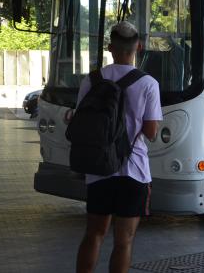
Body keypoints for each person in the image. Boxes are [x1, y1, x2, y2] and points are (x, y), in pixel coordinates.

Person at [75, 21, 161, 273]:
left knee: (93, 234)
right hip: (133, 171)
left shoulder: (91, 81)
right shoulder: (148, 84)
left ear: (110, 47)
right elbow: (151, 131)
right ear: (139, 47)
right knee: (124, 241)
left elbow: (81, 121)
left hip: (98, 168)